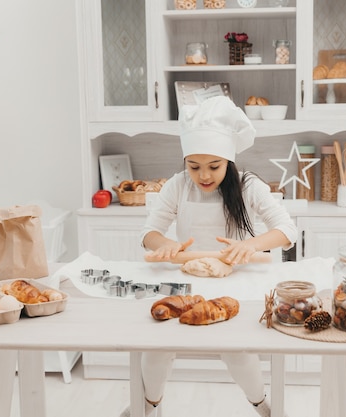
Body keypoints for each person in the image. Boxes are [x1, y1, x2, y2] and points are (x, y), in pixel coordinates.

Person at [121, 96, 297, 417]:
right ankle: (148, 406)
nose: (203, 176)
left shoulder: (248, 186)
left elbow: (287, 230)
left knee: (237, 352)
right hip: (186, 283)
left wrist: (253, 245)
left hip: (237, 283)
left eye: (213, 166)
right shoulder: (177, 186)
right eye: (194, 166)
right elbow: (148, 232)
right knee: (158, 347)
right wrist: (164, 244)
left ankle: (263, 407)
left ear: (228, 161)